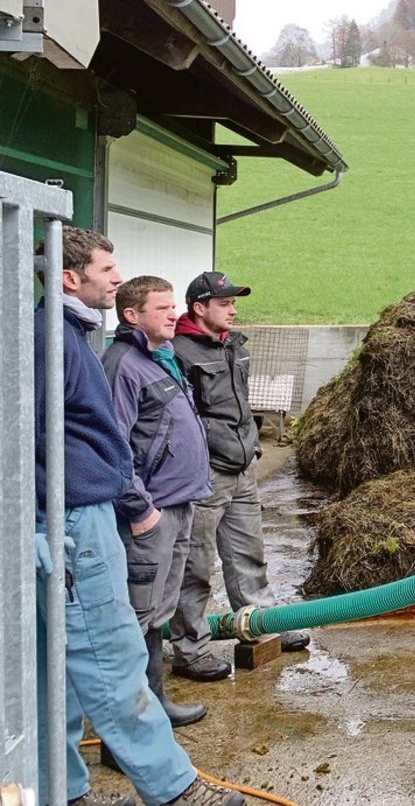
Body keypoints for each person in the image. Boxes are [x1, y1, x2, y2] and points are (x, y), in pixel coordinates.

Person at [34, 227, 243, 806]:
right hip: (76, 521)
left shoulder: (68, 337)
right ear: (72, 276)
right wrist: (128, 503)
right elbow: (44, 441)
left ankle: (64, 790)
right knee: (113, 657)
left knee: (55, 672)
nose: (117, 275)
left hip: (74, 516)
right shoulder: (56, 341)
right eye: (107, 268)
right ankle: (173, 790)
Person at [169, 272, 309, 682]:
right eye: (225, 302)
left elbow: (241, 408)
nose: (233, 309)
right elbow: (184, 420)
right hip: (206, 474)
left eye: (234, 302)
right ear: (199, 307)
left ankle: (262, 626)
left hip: (242, 468)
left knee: (249, 554)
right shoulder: (180, 353)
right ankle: (190, 649)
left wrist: (251, 448)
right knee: (195, 565)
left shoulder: (235, 347)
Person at [100, 276, 215, 736]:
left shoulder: (159, 359)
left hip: (178, 504)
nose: (174, 314)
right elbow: (112, 447)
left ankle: (155, 703)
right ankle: (129, 725)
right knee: (138, 614)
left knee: (158, 612)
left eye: (173, 306)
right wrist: (140, 509)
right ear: (132, 315)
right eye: (163, 307)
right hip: (149, 515)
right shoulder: (124, 365)